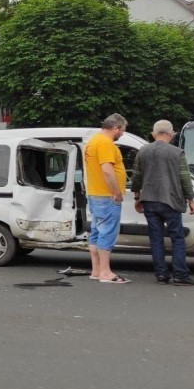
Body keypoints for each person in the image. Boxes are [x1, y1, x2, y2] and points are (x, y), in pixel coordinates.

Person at [131, 120, 194, 286]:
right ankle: (180, 274)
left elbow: (136, 177)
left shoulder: (143, 151)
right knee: (177, 238)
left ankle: (161, 274)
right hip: (170, 200)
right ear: (172, 134)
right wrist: (191, 199)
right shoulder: (177, 153)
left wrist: (137, 197)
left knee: (156, 239)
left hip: (149, 200)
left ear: (154, 134)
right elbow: (185, 178)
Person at [85, 113, 130, 284]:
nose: (122, 134)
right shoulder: (105, 143)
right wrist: (117, 192)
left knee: (96, 232)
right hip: (106, 195)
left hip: (95, 194)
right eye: (122, 130)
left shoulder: (93, 141)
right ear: (115, 128)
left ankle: (96, 270)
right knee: (107, 233)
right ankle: (105, 272)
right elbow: (107, 170)